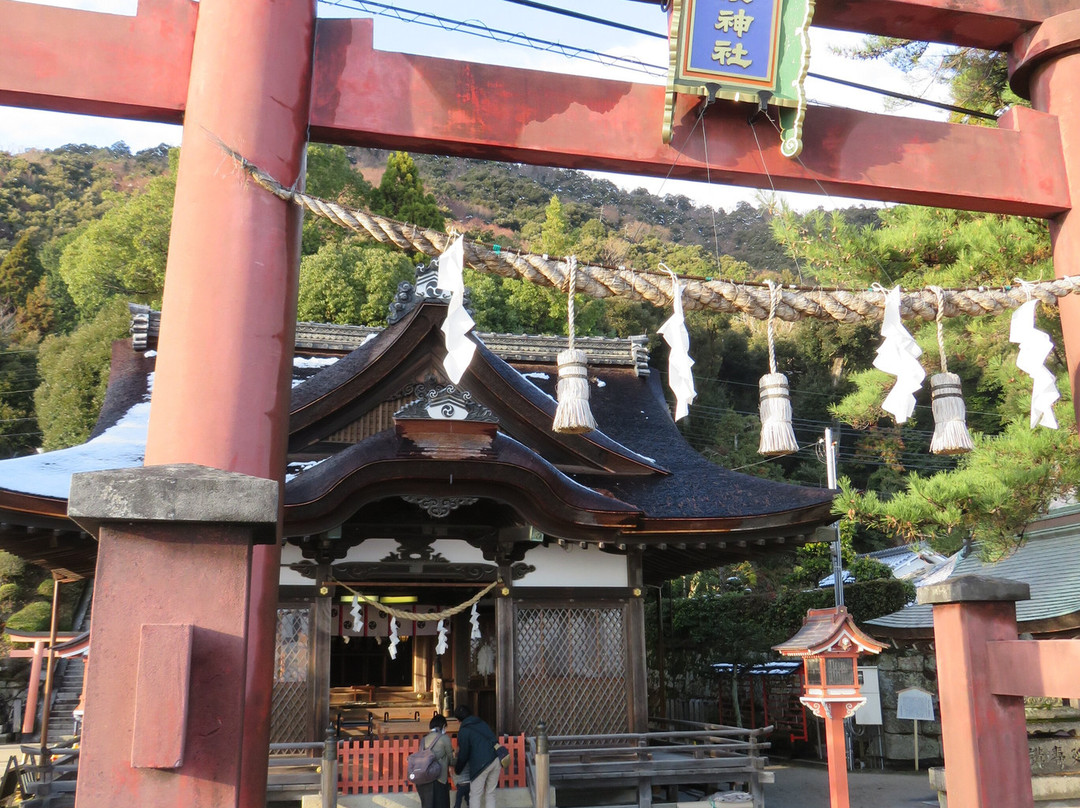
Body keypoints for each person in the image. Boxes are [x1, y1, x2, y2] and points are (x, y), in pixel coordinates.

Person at [453, 705, 499, 808]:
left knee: (475, 795)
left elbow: (463, 754)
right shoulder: (482, 723)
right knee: (490, 793)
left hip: (481, 765)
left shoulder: (463, 731)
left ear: (457, 720)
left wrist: (458, 769)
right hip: (496, 759)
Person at [417, 713, 454, 808]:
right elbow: (451, 759)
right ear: (443, 726)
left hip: (425, 778)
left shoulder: (424, 739)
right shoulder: (444, 738)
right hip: (440, 778)